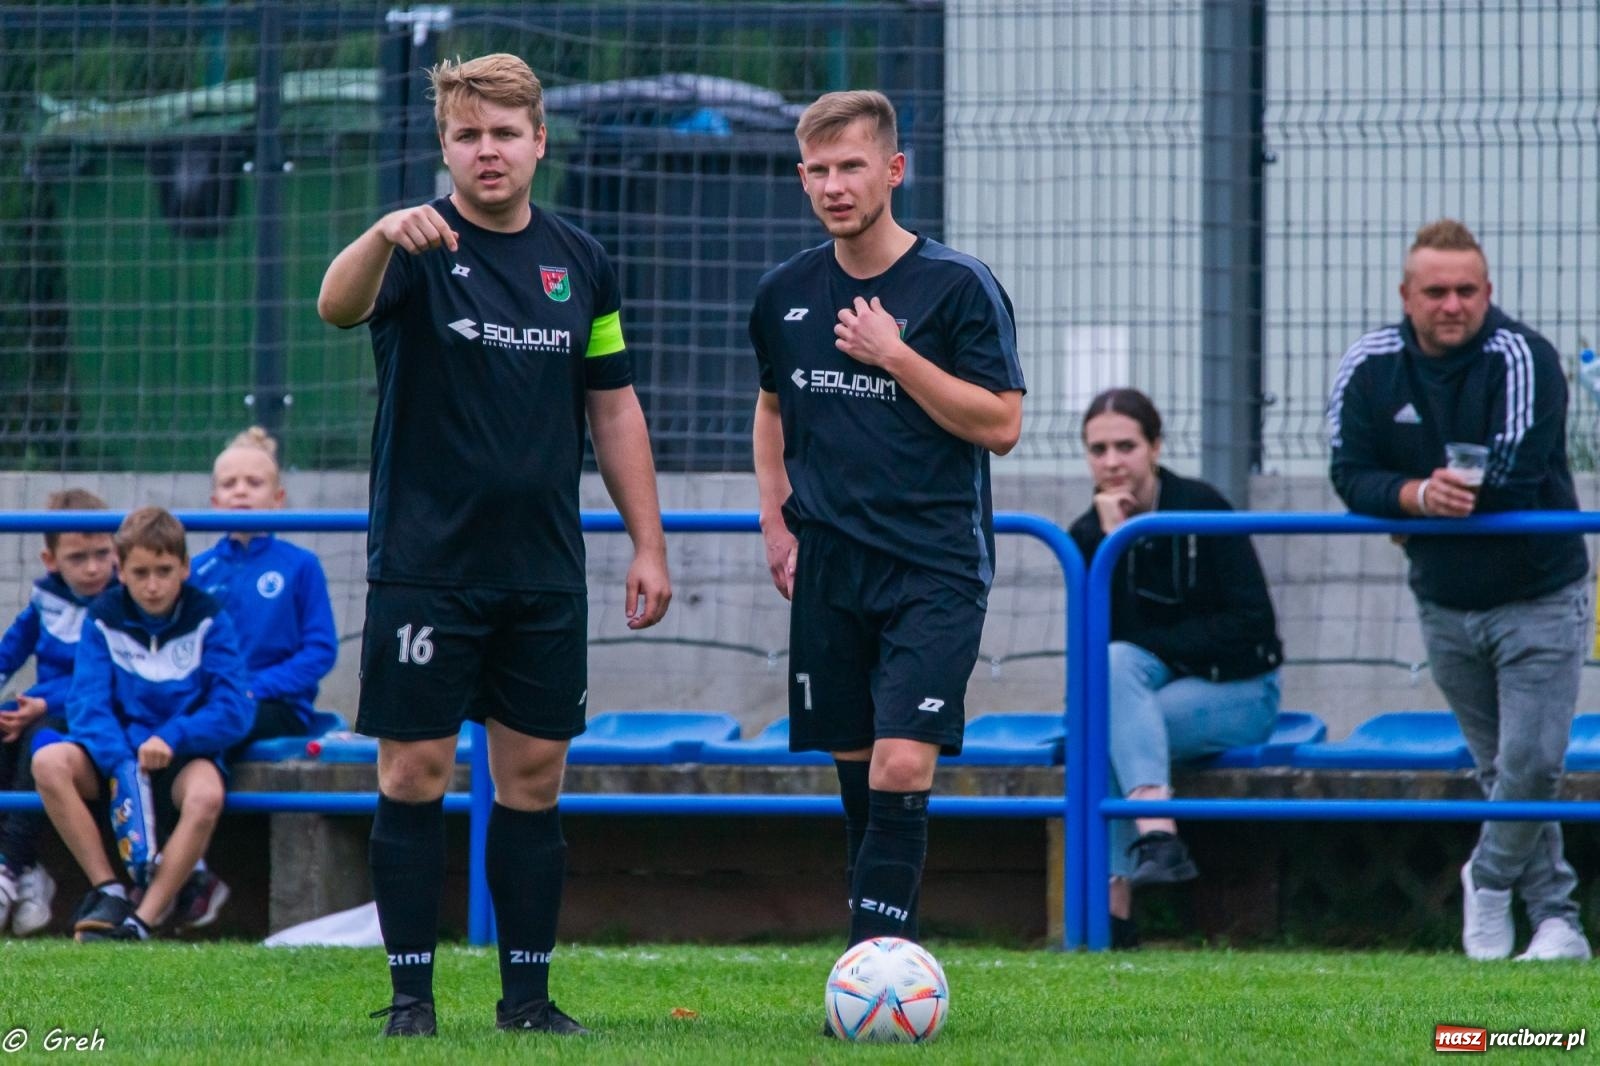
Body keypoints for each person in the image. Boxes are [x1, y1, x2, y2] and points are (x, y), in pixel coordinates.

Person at [317, 53, 670, 1037]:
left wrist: (649, 543)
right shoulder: (415, 244)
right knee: (413, 773)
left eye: (505, 133)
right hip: (427, 566)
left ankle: (526, 1000)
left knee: (533, 779)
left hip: (542, 570)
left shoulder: (580, 260)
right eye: (468, 135)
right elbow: (335, 307)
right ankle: (410, 1000)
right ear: (446, 146)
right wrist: (380, 231)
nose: (488, 151)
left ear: (538, 141)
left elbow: (613, 407)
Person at [748, 89, 1025, 986]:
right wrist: (775, 519)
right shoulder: (785, 291)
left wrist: (897, 355)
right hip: (830, 562)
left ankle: (867, 978)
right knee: (859, 767)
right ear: (801, 178)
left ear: (894, 170)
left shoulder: (956, 286)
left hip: (934, 565)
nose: (834, 185)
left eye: (852, 166)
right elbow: (770, 405)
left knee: (905, 763)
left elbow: (1001, 424)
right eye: (818, 171)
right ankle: (877, 960)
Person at [1328, 218, 1591, 961]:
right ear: (1406, 295)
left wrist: (1424, 503)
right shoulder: (1369, 364)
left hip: (1540, 592)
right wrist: (1414, 495)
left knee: (1532, 761)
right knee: (1499, 768)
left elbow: (1514, 472)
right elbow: (1351, 475)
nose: (1453, 305)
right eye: (1436, 291)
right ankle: (1558, 922)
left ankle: (1489, 875)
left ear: (1490, 293)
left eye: (1466, 291)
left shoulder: (1526, 357)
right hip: (1442, 601)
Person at [1067, 388, 1282, 949]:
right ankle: (1157, 841)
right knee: (1113, 695)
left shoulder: (1202, 506)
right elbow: (1099, 645)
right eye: (1098, 449)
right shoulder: (1085, 536)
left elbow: (1252, 626)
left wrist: (1161, 652)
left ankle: (1112, 915)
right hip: (1143, 694)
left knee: (1109, 723)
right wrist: (1115, 545)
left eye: (1126, 446)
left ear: (1155, 447)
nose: (1112, 461)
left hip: (1236, 690)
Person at [31, 506, 251, 943]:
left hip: (181, 757)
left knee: (207, 794)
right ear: (121, 570)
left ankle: (142, 920)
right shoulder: (102, 616)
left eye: (165, 570)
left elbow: (233, 707)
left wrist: (173, 736)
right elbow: (87, 704)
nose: (153, 585)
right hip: (118, 759)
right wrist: (122, 763)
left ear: (185, 567)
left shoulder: (210, 618)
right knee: (49, 761)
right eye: (141, 571)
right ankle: (109, 891)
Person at [184, 426, 340, 928]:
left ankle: (192, 871)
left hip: (274, 706)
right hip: (217, 703)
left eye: (253, 483)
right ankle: (179, 869)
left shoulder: (300, 566)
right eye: (230, 484)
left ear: (277, 498)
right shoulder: (199, 570)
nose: (240, 492)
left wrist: (254, 688)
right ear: (213, 498)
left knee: (206, 730)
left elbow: (319, 652)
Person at [0, 489, 117, 936]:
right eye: (77, 557)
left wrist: (45, 703)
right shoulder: (44, 602)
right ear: (51, 560)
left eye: (102, 554)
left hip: (85, 712)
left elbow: (110, 678)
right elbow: (9, 652)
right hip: (40, 704)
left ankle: (13, 862)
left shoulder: (122, 605)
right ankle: (24, 872)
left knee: (37, 740)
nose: (92, 568)